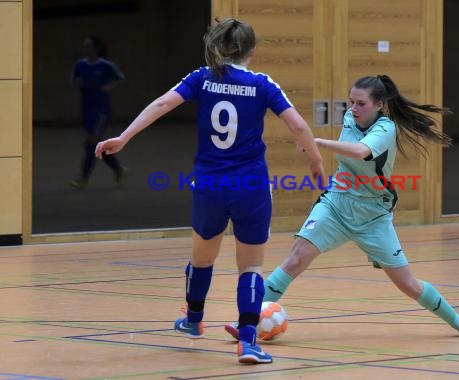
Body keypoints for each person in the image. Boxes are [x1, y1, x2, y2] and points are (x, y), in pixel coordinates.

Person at [95, 18, 325, 364]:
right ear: (253, 51)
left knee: (202, 258)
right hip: (250, 185)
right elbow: (298, 125)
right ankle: (248, 342)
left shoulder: (202, 77)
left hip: (209, 184)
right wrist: (317, 164)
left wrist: (123, 137)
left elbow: (161, 105)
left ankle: (193, 320)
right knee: (250, 267)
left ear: (219, 47)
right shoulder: (262, 84)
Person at [225, 74, 459, 341]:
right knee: (295, 259)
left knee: (408, 284)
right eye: (351, 102)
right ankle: (246, 324)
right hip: (336, 205)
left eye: (360, 103)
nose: (353, 108)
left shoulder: (386, 129)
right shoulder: (350, 119)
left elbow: (361, 151)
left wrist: (317, 142)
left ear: (379, 104)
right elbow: (349, 153)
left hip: (373, 216)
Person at [71, 36, 127, 189]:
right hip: (86, 107)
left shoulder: (106, 65)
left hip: (100, 109)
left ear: (97, 49)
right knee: (95, 143)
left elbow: (120, 78)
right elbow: (75, 79)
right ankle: (118, 169)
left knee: (91, 142)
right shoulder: (80, 65)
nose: (86, 49)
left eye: (89, 46)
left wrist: (109, 86)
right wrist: (78, 83)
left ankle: (83, 178)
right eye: (85, 46)